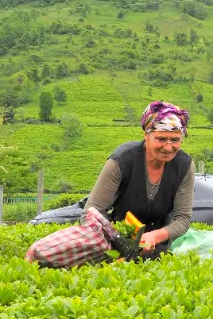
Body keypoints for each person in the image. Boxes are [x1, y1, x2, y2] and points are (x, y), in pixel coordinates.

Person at [83, 101, 194, 257]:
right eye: (161, 139)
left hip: (157, 248)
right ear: (146, 136)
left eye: (175, 140)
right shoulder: (123, 160)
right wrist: (117, 240)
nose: (168, 147)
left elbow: (183, 219)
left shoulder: (184, 165)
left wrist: (155, 236)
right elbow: (90, 213)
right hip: (113, 245)